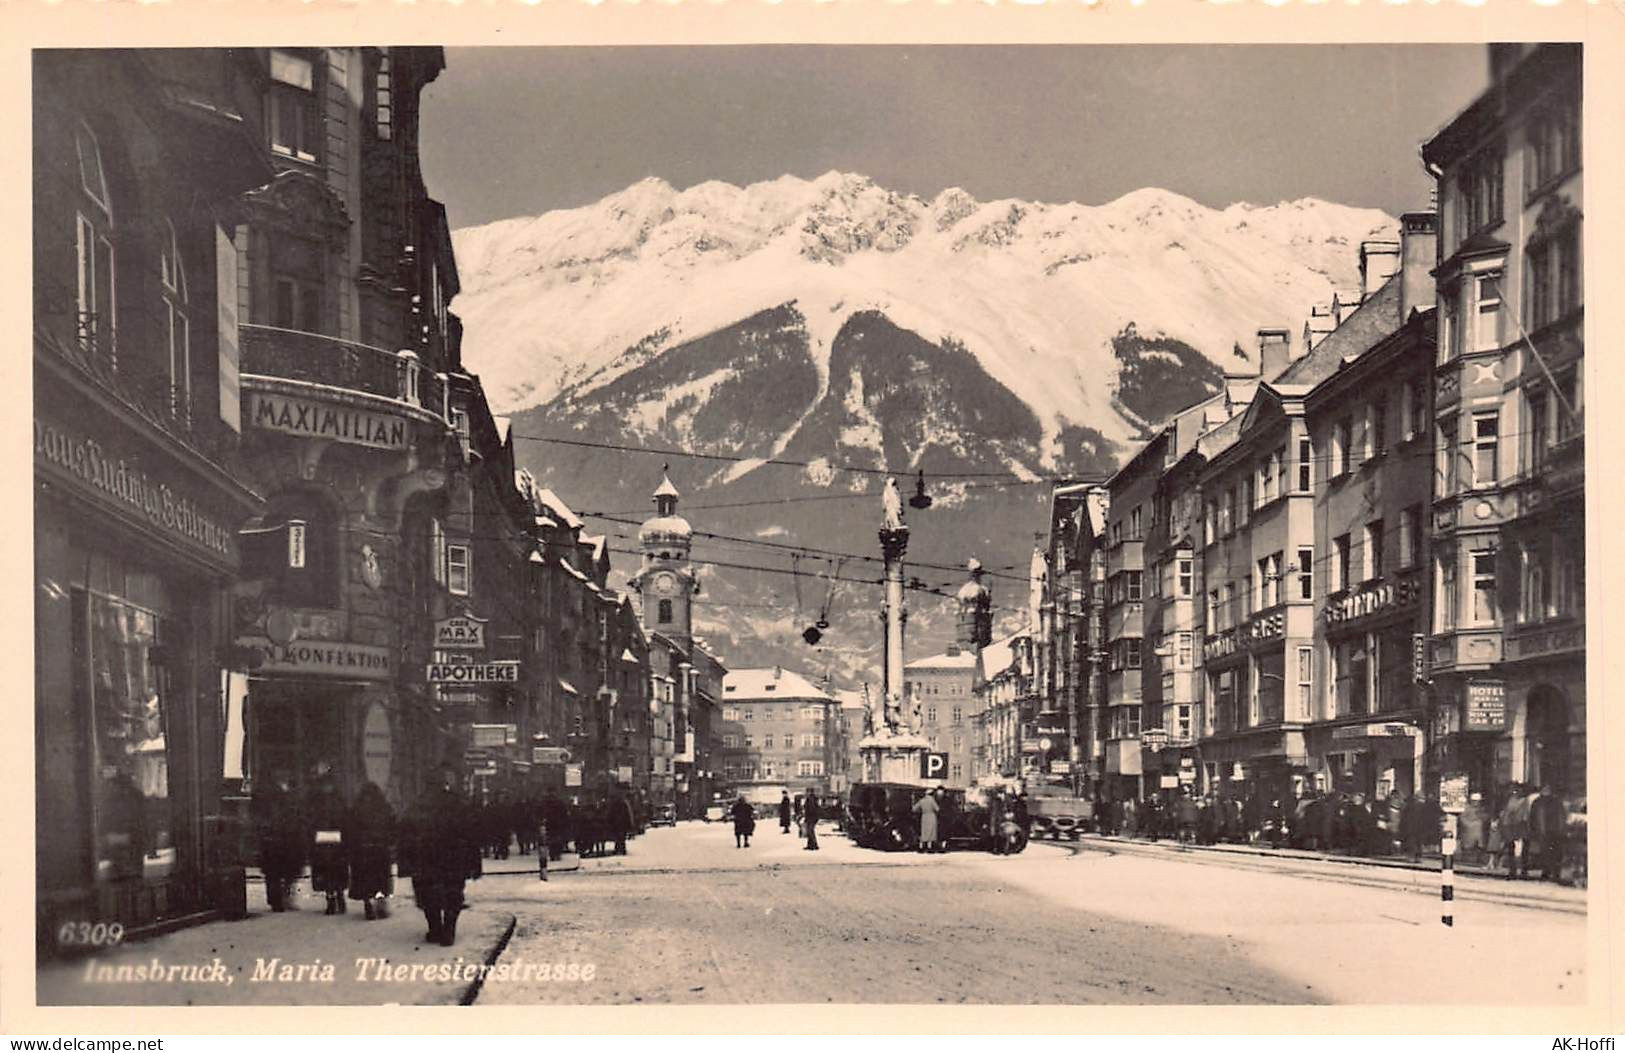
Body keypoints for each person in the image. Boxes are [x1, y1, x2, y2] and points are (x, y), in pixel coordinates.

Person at [403, 764, 482, 946]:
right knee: (453, 894)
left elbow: (407, 834)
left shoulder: (418, 804)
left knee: (428, 894)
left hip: (426, 859)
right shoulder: (457, 803)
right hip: (454, 858)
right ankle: (449, 929)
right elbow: (470, 834)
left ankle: (435, 928)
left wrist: (408, 862)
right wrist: (474, 863)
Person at [254, 769, 305, 912]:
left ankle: (279, 900)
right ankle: (280, 901)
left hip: (284, 837)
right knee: (277, 871)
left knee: (279, 872)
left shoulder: (286, 793)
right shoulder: (275, 794)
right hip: (278, 836)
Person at [344, 781, 396, 920]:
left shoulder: (356, 809)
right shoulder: (384, 808)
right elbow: (392, 826)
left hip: (362, 850)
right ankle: (380, 903)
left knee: (365, 880)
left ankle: (368, 903)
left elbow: (349, 829)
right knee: (381, 879)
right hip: (380, 849)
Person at [305, 766, 349, 915]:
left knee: (327, 871)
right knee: (336, 870)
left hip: (322, 840)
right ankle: (339, 896)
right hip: (336, 840)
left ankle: (332, 899)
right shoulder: (339, 799)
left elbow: (310, 819)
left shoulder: (315, 800)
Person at [1529, 784, 1566, 882]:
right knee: (1544, 853)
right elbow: (1532, 817)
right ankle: (1546, 872)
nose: (1546, 791)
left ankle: (1556, 874)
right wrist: (1533, 830)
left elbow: (1561, 816)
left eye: (1548, 789)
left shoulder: (1556, 802)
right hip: (1543, 831)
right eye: (1544, 789)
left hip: (1555, 831)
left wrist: (1562, 829)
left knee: (1556, 853)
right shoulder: (1537, 802)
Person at [912, 788, 941, 853]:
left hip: (924, 817)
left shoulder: (922, 800)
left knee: (924, 832)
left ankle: (921, 846)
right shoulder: (932, 800)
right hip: (931, 816)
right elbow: (937, 809)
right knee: (931, 832)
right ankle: (929, 847)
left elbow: (914, 809)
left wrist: (921, 811)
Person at [608, 792, 634, 856]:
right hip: (621, 822)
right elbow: (628, 814)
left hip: (619, 823)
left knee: (619, 837)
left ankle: (619, 849)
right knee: (621, 837)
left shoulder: (616, 804)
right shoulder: (624, 803)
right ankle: (621, 849)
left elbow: (611, 813)